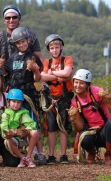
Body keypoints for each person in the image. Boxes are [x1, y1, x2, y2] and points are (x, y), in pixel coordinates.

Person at [0, 27, 47, 165]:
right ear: (15, 44)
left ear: (28, 40)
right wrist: (1, 67)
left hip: (29, 94)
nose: (21, 45)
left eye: (23, 42)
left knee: (33, 122)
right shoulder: (12, 57)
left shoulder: (33, 57)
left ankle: (39, 153)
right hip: (14, 94)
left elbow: (37, 79)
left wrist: (35, 69)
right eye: (18, 43)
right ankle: (18, 152)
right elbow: (6, 74)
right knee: (14, 120)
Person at [68, 69, 111, 166]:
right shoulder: (74, 102)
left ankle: (108, 155)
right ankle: (91, 153)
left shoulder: (96, 91)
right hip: (91, 131)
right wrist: (73, 119)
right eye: (76, 82)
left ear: (87, 85)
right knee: (82, 137)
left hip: (105, 130)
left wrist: (110, 98)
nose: (78, 86)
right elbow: (79, 128)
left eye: (81, 83)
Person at [40, 34, 74, 164]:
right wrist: (58, 76)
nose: (54, 50)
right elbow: (42, 77)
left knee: (63, 126)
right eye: (52, 48)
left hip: (64, 98)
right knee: (51, 127)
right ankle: (52, 155)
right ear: (49, 50)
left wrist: (52, 73)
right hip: (50, 99)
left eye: (57, 47)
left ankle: (64, 154)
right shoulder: (46, 62)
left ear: (62, 47)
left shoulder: (67, 59)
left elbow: (66, 73)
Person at [0, 88, 38, 168]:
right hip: (14, 140)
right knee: (7, 141)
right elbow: (4, 127)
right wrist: (8, 133)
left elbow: (32, 124)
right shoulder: (5, 114)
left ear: (21, 103)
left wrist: (27, 130)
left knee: (34, 132)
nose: (16, 104)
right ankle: (22, 157)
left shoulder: (24, 113)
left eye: (18, 102)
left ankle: (28, 156)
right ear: (8, 102)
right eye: (13, 101)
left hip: (24, 139)